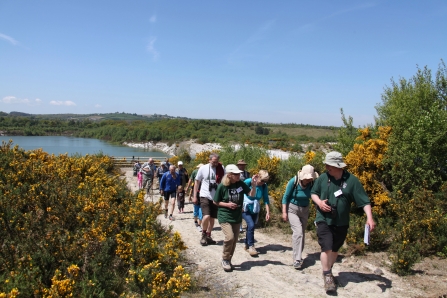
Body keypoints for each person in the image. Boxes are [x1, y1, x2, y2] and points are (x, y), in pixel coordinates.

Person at [311, 151, 375, 293]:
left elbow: (364, 201)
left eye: (329, 165)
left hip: (341, 222)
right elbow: (313, 193)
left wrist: (369, 217)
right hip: (323, 219)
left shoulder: (352, 181)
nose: (327, 167)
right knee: (326, 246)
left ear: (338, 166)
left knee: (334, 249)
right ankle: (327, 276)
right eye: (326, 165)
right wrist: (320, 203)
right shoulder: (323, 178)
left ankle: (329, 270)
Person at [213, 164, 258, 272]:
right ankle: (225, 259)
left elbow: (251, 194)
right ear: (229, 175)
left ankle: (229, 259)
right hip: (225, 215)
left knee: (234, 240)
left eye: (239, 174)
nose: (239, 175)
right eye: (236, 174)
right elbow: (215, 201)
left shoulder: (240, 184)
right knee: (229, 237)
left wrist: (254, 185)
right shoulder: (222, 186)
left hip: (237, 216)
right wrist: (227, 205)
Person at [282, 165, 319, 270]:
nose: (309, 179)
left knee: (302, 233)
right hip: (292, 209)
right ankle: (297, 259)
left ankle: (298, 255)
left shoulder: (312, 184)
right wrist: (284, 212)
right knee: (298, 232)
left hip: (305, 210)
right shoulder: (293, 182)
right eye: (308, 178)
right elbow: (285, 197)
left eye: (311, 178)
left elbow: (315, 196)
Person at [193, 153, 225, 246]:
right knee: (206, 216)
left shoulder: (221, 169)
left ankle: (208, 235)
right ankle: (203, 234)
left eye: (216, 162)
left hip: (216, 197)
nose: (215, 164)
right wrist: (195, 196)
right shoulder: (203, 168)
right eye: (214, 161)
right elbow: (197, 182)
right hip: (204, 195)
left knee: (212, 218)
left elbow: (225, 181)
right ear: (209, 160)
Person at [242, 170, 271, 256]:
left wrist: (268, 212)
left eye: (265, 181)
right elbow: (239, 191)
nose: (263, 183)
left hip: (254, 208)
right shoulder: (248, 182)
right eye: (262, 180)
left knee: (251, 226)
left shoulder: (264, 186)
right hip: (245, 208)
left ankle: (247, 244)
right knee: (251, 225)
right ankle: (251, 246)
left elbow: (266, 199)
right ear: (257, 176)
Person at [186, 163, 204, 229]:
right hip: (196, 191)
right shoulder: (195, 172)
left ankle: (199, 224)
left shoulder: (206, 174)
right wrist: (187, 188)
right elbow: (190, 180)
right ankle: (195, 221)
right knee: (196, 208)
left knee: (201, 209)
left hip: (203, 193)